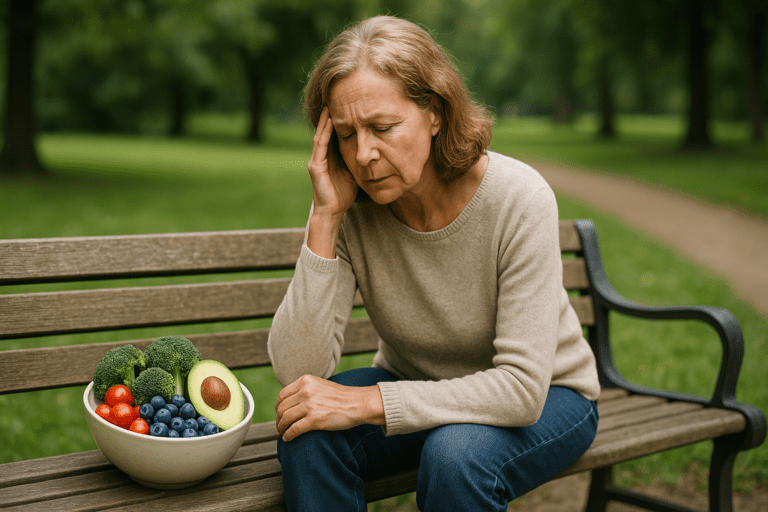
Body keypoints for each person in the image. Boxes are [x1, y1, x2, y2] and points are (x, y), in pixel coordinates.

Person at [267, 15, 601, 512]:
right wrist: (325, 218)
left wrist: (373, 403)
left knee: (457, 454)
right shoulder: (350, 207)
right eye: (345, 133)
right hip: (415, 383)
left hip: (550, 396)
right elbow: (299, 372)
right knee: (307, 428)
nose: (364, 155)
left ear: (436, 114)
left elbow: (521, 390)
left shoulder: (518, 198)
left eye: (383, 127)